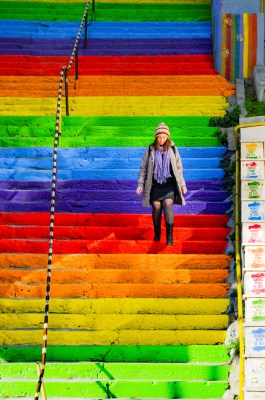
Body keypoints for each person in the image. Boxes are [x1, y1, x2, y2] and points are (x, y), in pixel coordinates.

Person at [136, 122, 187, 246]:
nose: (162, 140)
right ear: (156, 137)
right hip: (155, 184)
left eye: (164, 137)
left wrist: (182, 185)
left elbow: (179, 169)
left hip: (169, 184)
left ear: (167, 137)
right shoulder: (150, 149)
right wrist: (140, 184)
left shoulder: (173, 149)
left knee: (168, 204)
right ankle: (157, 234)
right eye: (159, 137)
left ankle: (169, 236)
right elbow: (144, 168)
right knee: (157, 207)